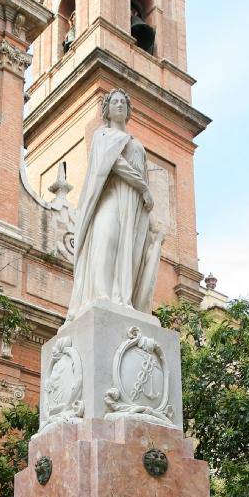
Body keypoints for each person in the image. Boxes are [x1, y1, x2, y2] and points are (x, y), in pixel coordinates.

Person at [66, 88, 163, 322]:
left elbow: (142, 176)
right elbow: (114, 162)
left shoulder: (136, 143)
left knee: (130, 251)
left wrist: (151, 219)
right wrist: (142, 186)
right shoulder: (102, 135)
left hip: (133, 204)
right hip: (111, 196)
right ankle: (101, 296)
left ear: (128, 111)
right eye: (114, 102)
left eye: (123, 102)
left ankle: (123, 299)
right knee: (105, 239)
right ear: (107, 110)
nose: (119, 104)